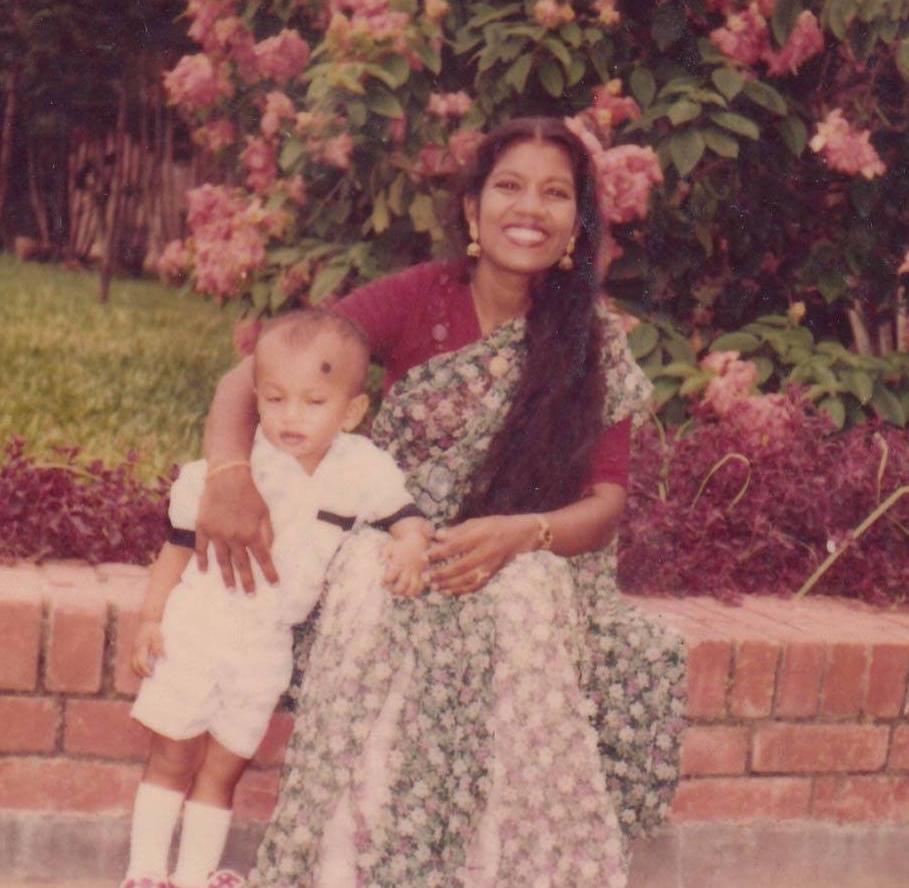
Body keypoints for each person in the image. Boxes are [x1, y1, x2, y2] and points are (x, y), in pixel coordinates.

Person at [197, 116, 688, 888]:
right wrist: (229, 475)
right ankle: (341, 871)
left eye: (554, 193)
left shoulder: (592, 339)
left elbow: (603, 504)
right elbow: (255, 373)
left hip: (527, 553)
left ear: (576, 224)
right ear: (471, 209)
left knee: (521, 599)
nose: (529, 208)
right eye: (509, 186)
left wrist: (520, 535)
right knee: (368, 581)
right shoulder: (420, 294)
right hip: (396, 538)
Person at [121, 311, 431, 888]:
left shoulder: (360, 469)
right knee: (173, 755)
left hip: (266, 645)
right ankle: (144, 871)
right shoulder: (234, 469)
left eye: (314, 403)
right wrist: (150, 618)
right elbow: (178, 546)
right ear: (256, 397)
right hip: (199, 628)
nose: (291, 417)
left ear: (351, 412)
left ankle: (194, 875)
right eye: (275, 399)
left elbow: (405, 516)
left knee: (224, 767)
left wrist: (412, 544)